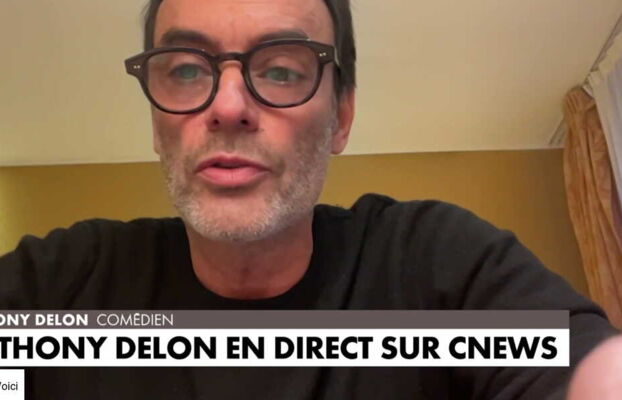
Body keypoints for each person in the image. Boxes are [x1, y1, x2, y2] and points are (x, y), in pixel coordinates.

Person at [0, 0, 618, 398]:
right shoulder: (60, 285)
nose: (228, 107)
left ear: (340, 118)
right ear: (156, 120)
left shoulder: (436, 265)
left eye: (281, 70)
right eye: (186, 70)